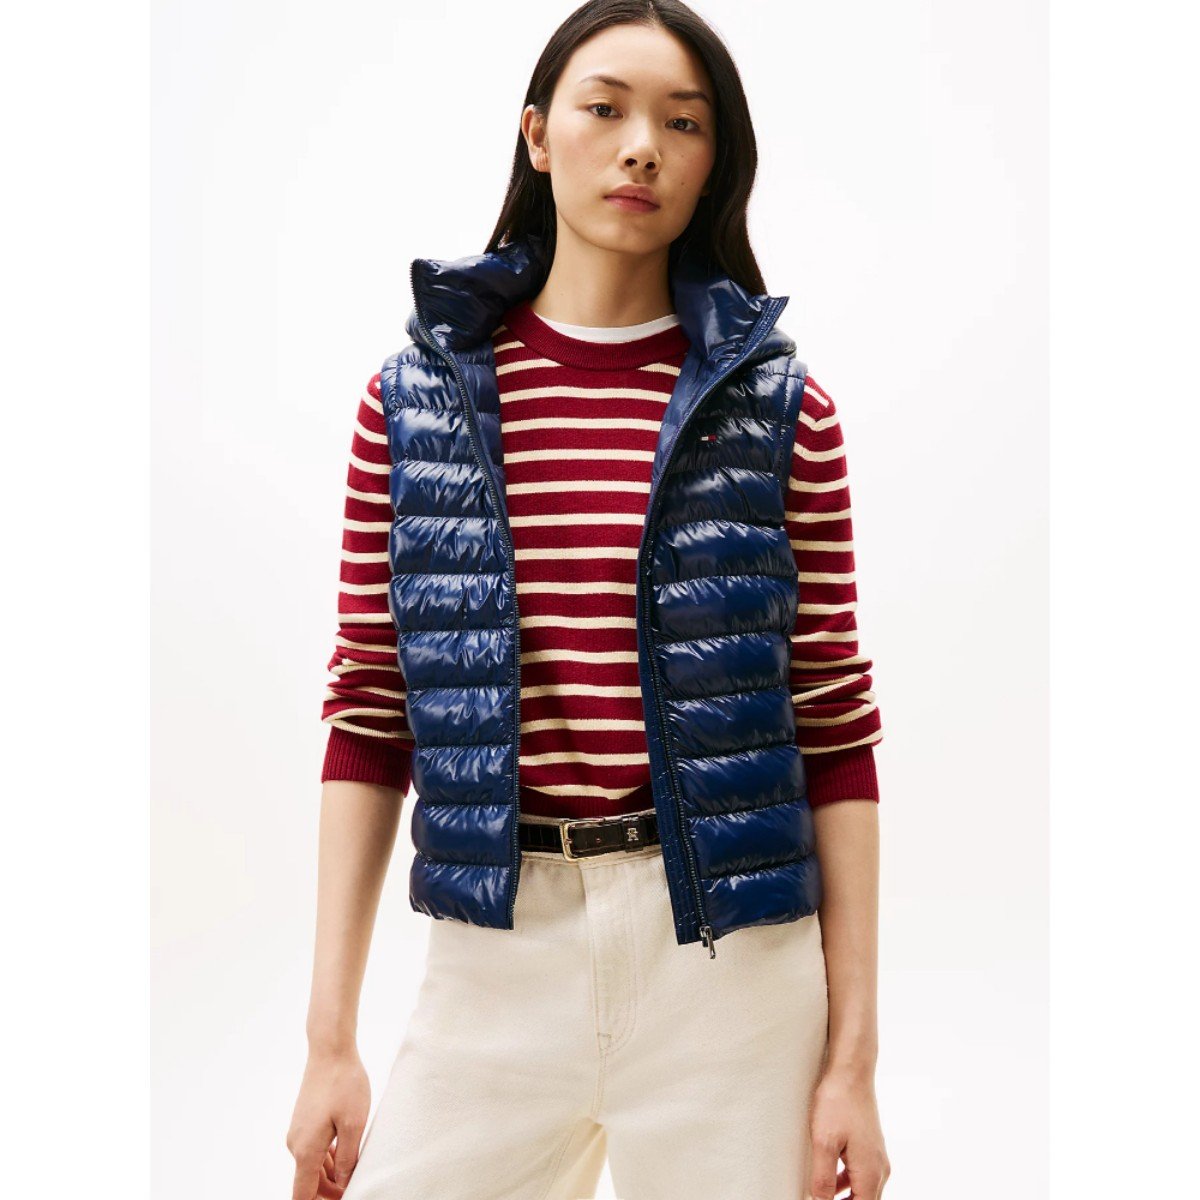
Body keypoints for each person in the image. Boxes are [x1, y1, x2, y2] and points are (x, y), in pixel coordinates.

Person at [287, 3, 890, 1197]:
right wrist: (328, 1043)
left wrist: (853, 1064)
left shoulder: (786, 414)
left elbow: (833, 728)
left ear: (715, 161)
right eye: (605, 108)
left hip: (730, 968)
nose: (642, 147)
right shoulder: (411, 407)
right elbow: (369, 712)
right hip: (497, 957)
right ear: (538, 134)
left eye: (684, 123)